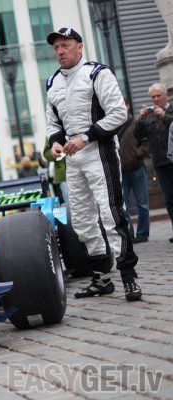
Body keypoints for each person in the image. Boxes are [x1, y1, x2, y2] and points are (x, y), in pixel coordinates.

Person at [45, 27, 141, 301]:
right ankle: (101, 279)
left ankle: (129, 277)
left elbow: (119, 114)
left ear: (80, 47)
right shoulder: (52, 82)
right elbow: (53, 122)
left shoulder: (98, 73)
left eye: (65, 45)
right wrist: (55, 141)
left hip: (100, 152)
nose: (60, 51)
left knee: (112, 214)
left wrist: (86, 137)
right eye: (56, 47)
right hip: (72, 158)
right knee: (82, 220)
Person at [136, 83, 173, 243]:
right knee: (169, 199)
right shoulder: (149, 116)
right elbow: (137, 135)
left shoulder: (171, 111)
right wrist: (141, 119)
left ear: (166, 95)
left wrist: (164, 116)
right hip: (160, 162)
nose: (156, 99)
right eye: (153, 97)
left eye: (158, 96)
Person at [118, 99, 150, 244]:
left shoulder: (136, 122)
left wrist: (137, 153)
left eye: (122, 104)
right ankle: (129, 234)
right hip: (120, 171)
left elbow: (146, 143)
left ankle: (142, 233)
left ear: (128, 106)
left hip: (137, 169)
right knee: (123, 206)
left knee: (142, 204)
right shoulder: (112, 126)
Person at [43, 137, 68, 204]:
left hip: (84, 169)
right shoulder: (50, 133)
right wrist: (60, 154)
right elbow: (46, 154)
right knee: (69, 202)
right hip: (62, 176)